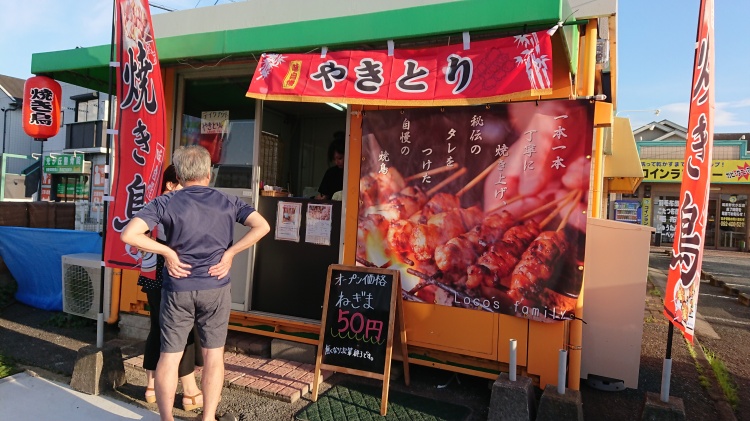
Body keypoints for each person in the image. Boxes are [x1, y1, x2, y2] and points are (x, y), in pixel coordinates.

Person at [121, 145, 270, 421]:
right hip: (216, 287)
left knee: (170, 356)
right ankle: (208, 417)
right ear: (209, 172)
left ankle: (167, 418)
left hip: (178, 288)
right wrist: (231, 253)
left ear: (178, 173)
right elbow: (262, 226)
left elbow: (129, 234)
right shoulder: (228, 201)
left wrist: (167, 252)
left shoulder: (165, 202)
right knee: (214, 357)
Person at [136, 164, 204, 411]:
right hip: (173, 275)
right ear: (171, 184)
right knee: (182, 331)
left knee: (158, 327)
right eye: (184, 183)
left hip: (153, 273)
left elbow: (139, 237)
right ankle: (189, 391)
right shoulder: (170, 204)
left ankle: (152, 386)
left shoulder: (154, 204)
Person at [315, 131, 345, 200]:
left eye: (340, 158)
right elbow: (323, 196)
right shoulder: (331, 173)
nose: (337, 162)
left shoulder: (356, 173)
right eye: (334, 159)